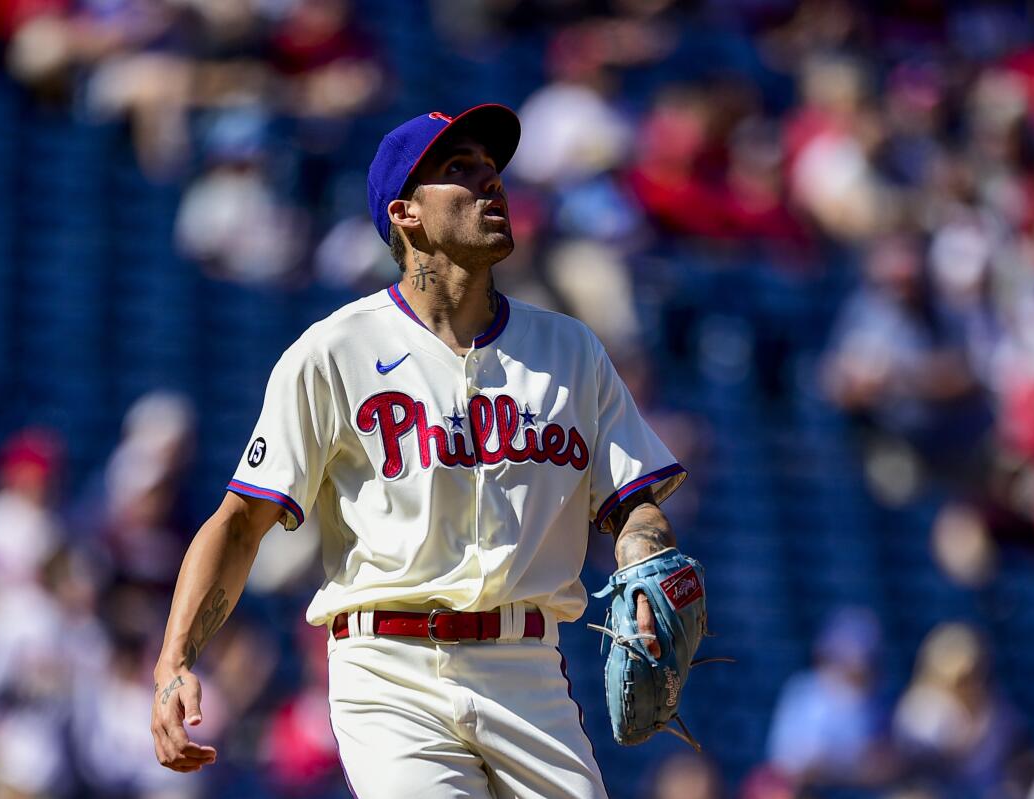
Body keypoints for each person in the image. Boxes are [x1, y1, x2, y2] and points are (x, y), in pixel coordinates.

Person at [150, 104, 689, 798]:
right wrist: (175, 661)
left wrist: (646, 557)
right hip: (388, 668)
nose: (489, 184)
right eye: (459, 171)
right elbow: (239, 521)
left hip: (528, 668)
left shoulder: (571, 350)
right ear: (405, 214)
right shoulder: (334, 351)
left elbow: (633, 507)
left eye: (492, 171)